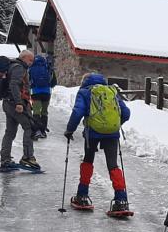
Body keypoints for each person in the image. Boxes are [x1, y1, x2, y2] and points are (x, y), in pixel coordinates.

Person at [64, 73, 131, 211]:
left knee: (88, 160)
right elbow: (126, 113)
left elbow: (78, 112)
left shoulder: (84, 92)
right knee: (113, 165)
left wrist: (69, 130)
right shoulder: (112, 92)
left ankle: (82, 196)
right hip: (112, 134)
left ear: (84, 81)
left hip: (92, 133)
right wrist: (115, 125)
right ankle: (121, 200)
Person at [0, 49, 40, 170]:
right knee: (29, 127)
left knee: (10, 132)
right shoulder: (19, 68)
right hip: (16, 104)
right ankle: (27, 157)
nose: (31, 62)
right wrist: (19, 103)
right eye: (30, 60)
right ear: (23, 58)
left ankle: (5, 159)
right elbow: (14, 85)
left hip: (8, 103)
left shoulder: (11, 66)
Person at [29, 54, 57, 139]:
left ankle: (36, 130)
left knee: (36, 111)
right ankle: (43, 131)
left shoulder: (31, 68)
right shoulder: (47, 67)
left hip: (35, 92)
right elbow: (54, 82)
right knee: (44, 111)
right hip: (46, 93)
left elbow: (28, 80)